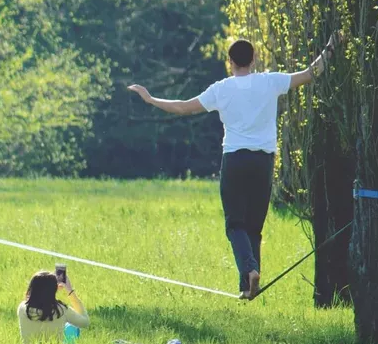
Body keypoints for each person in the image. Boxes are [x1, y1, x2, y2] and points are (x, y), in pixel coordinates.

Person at [127, 33, 340, 299]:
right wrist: (330, 46)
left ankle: (249, 273)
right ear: (254, 59)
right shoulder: (269, 82)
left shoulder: (221, 89)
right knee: (253, 227)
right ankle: (248, 288)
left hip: (235, 160)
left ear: (230, 62)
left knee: (235, 225)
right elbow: (311, 73)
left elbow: (183, 108)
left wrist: (151, 99)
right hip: (263, 161)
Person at [18, 270, 90, 344]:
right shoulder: (61, 310)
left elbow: (34, 299)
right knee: (72, 327)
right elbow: (85, 322)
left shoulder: (22, 308)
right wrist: (70, 291)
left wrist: (51, 288)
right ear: (54, 289)